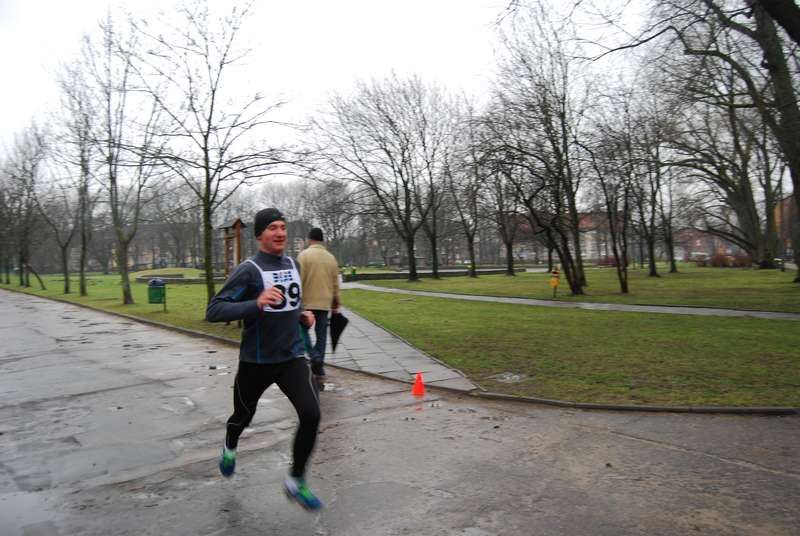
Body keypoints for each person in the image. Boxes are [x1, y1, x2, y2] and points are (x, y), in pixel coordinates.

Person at [205, 208, 323, 511]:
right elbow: (214, 310)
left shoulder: (293, 264)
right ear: (259, 235)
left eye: (283, 227)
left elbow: (289, 303)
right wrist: (254, 303)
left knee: (311, 413)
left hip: (291, 357)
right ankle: (230, 444)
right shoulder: (249, 270)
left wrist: (302, 315)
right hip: (256, 361)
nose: (280, 233)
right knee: (242, 417)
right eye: (272, 228)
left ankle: (295, 480)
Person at [297, 227, 341, 379]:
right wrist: (336, 303)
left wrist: (297, 301)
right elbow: (335, 283)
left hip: (307, 302)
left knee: (302, 330)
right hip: (325, 302)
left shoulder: (304, 256)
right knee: (321, 334)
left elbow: (299, 280)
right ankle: (319, 365)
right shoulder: (331, 258)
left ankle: (314, 356)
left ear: (309, 239)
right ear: (322, 240)